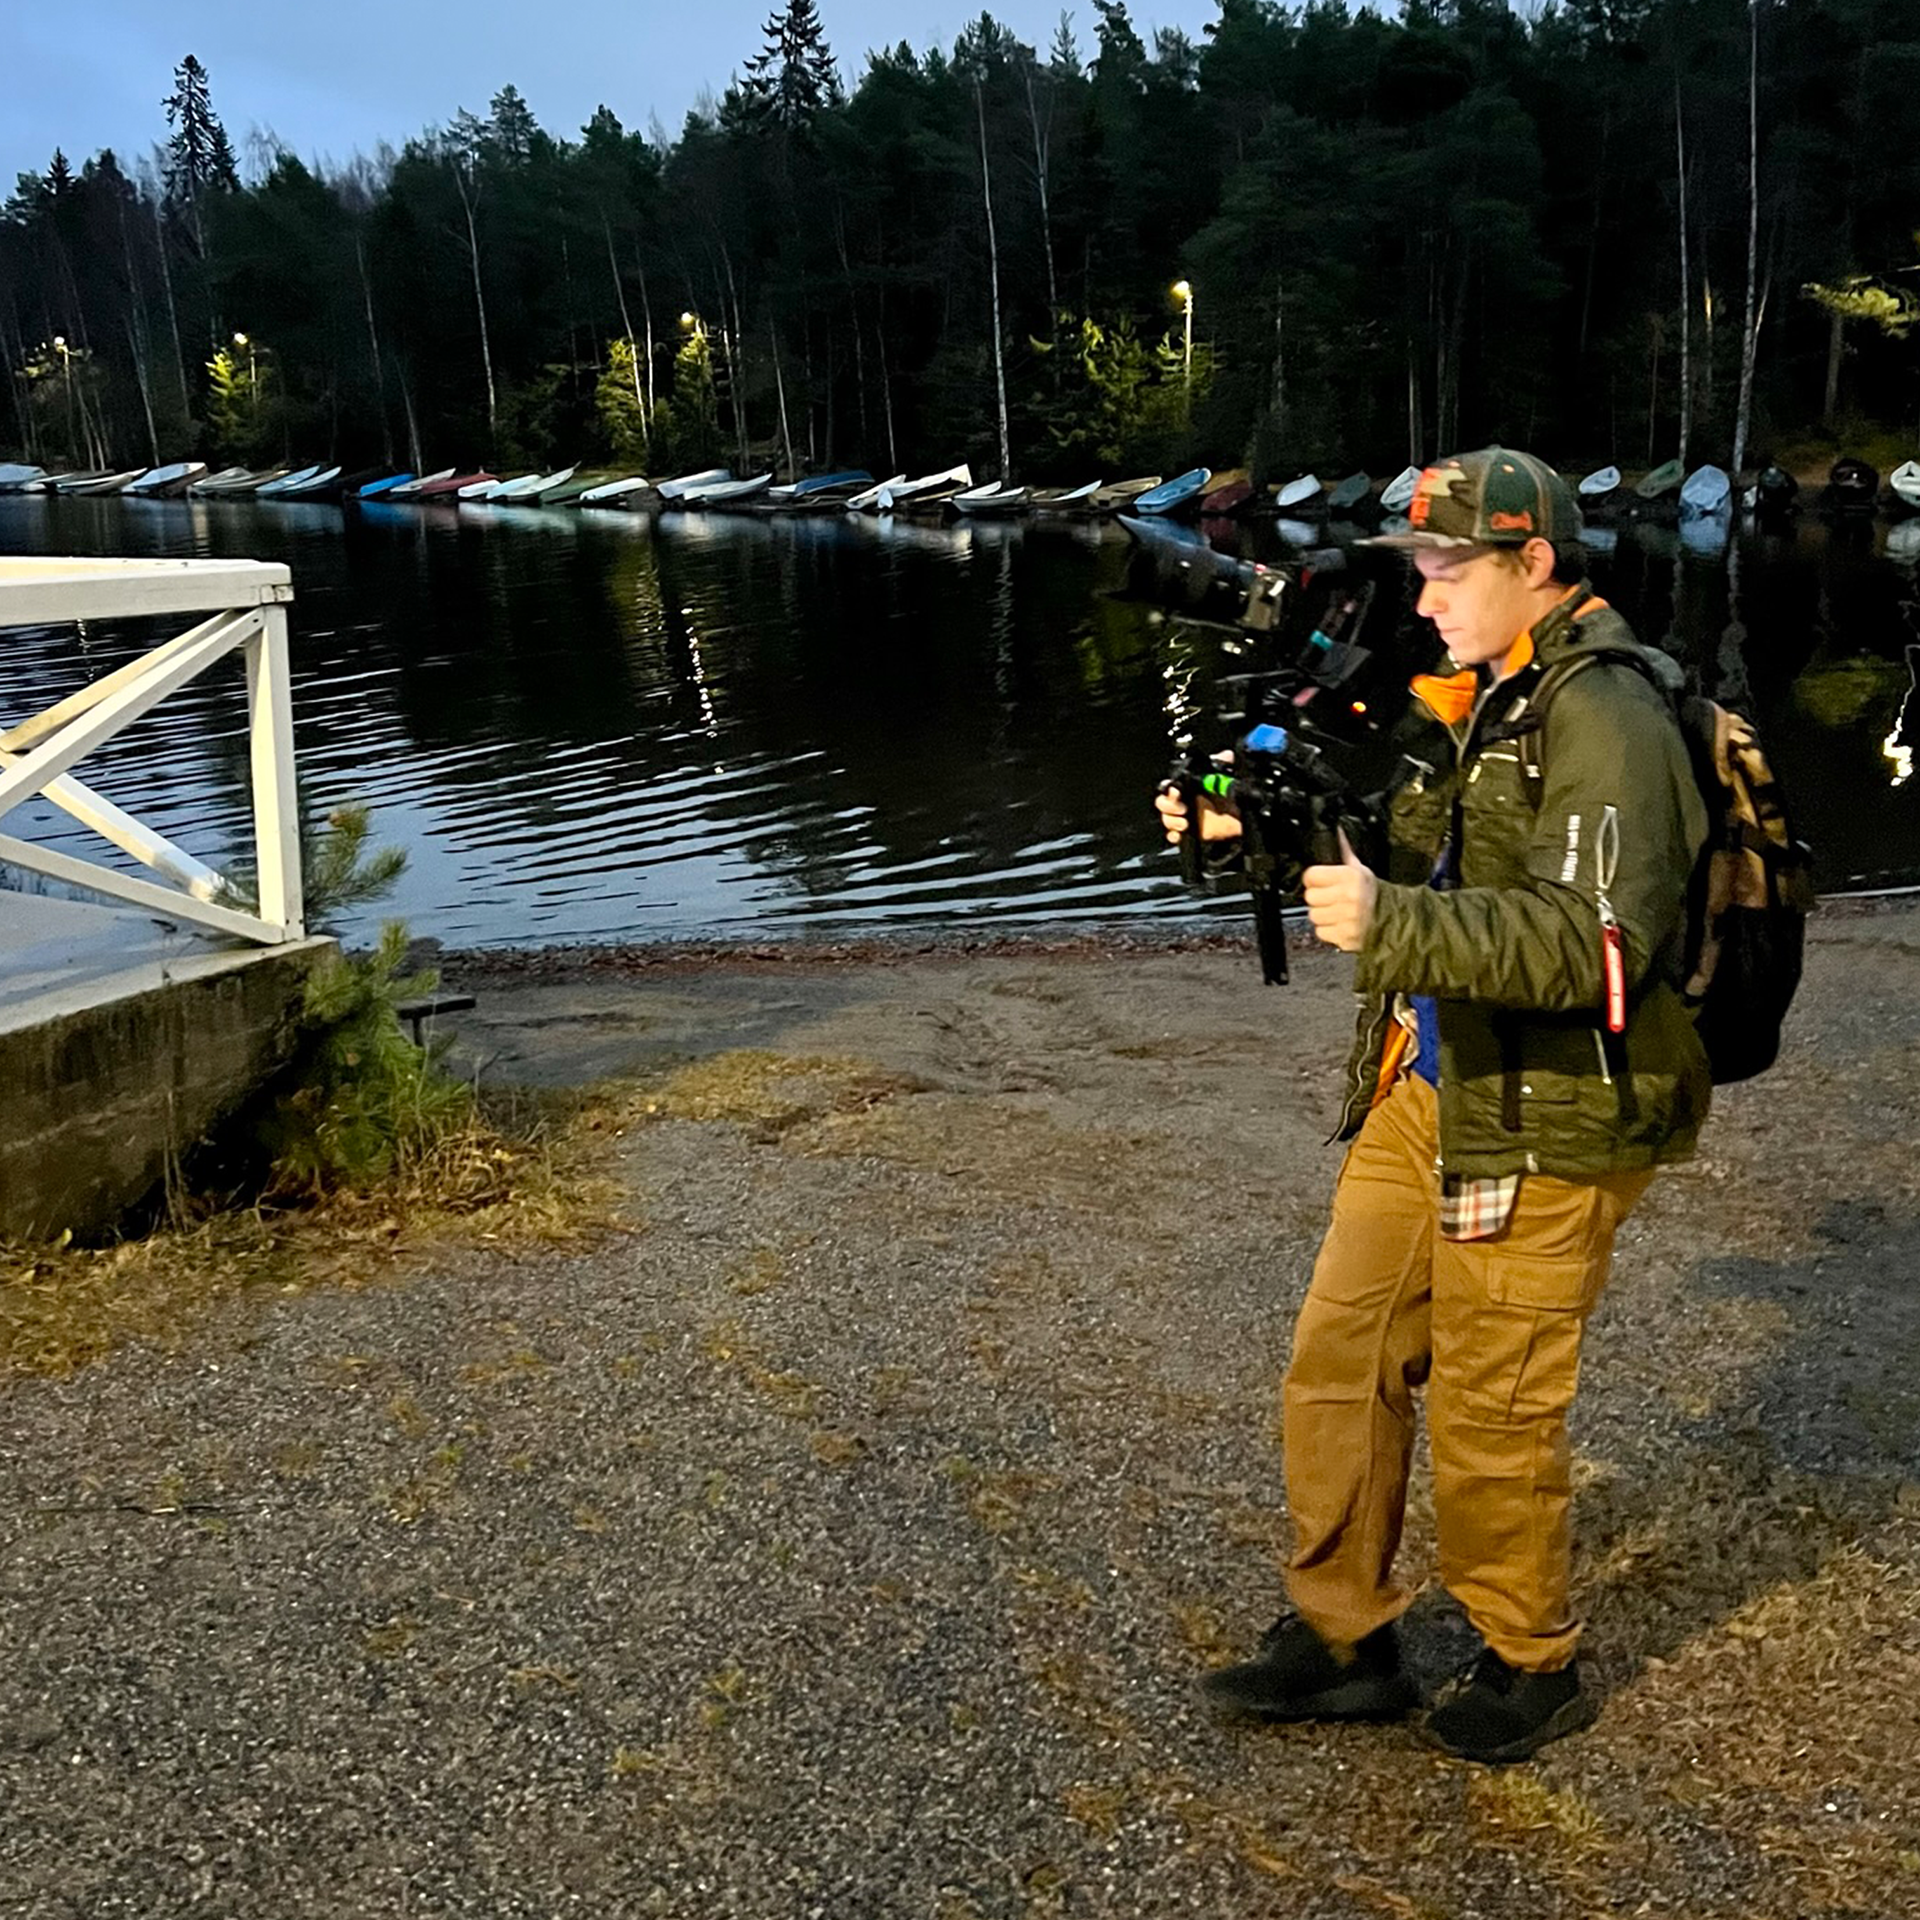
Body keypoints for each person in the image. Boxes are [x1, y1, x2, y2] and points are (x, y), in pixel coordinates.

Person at [1154, 447, 1711, 1764]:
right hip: (1429, 1083)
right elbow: (1412, 843)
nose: (1428, 594)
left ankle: (1531, 1661)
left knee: (1491, 1406)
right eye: (1418, 567)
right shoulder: (1477, 692)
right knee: (1340, 1361)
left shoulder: (1607, 712)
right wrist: (1253, 827)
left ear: (1536, 562)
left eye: (1451, 568)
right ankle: (1346, 1638)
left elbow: (1598, 946)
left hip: (1547, 1107)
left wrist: (1392, 923)